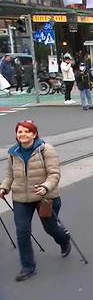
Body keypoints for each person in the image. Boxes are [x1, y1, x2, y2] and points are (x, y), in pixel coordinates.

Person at [0, 120, 71, 281]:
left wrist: (45, 187)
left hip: (44, 197)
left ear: (34, 134)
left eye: (26, 131)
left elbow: (54, 174)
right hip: (21, 198)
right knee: (22, 231)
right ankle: (28, 267)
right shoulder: (13, 152)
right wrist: (4, 188)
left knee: (50, 228)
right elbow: (9, 176)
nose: (23, 134)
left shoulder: (46, 150)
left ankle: (64, 239)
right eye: (20, 132)